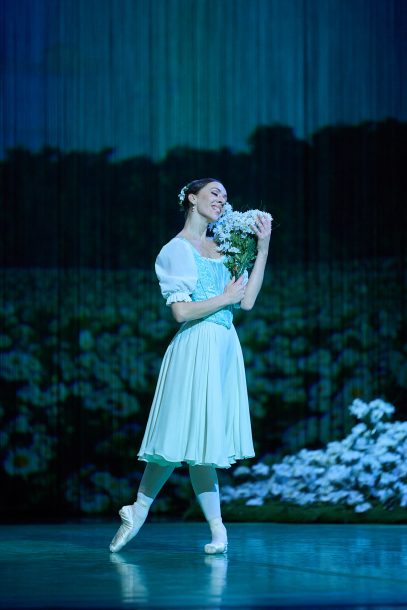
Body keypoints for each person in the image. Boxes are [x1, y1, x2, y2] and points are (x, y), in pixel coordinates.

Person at [109, 178, 271, 554]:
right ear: (191, 198)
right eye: (214, 193)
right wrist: (224, 297)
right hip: (195, 345)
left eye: (226, 196)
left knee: (203, 444)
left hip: (224, 347)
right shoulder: (176, 250)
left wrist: (262, 249)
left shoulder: (226, 246)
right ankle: (143, 509)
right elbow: (181, 311)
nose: (221, 199)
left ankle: (215, 531)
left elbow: (245, 303)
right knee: (178, 436)